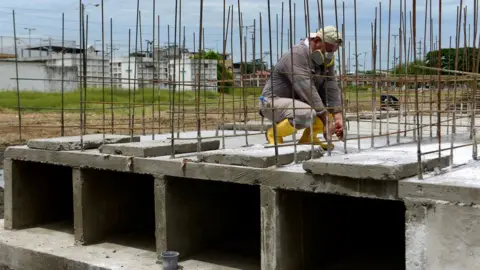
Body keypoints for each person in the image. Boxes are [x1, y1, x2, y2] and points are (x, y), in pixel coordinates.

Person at [259, 25, 344, 150]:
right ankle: (274, 133)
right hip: (272, 102)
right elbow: (308, 90)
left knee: (331, 110)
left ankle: (308, 139)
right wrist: (327, 122)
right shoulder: (297, 54)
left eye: (333, 51)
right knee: (309, 114)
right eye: (328, 50)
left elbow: (331, 88)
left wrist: (338, 117)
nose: (330, 54)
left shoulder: (325, 60)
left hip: (299, 102)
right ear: (316, 41)